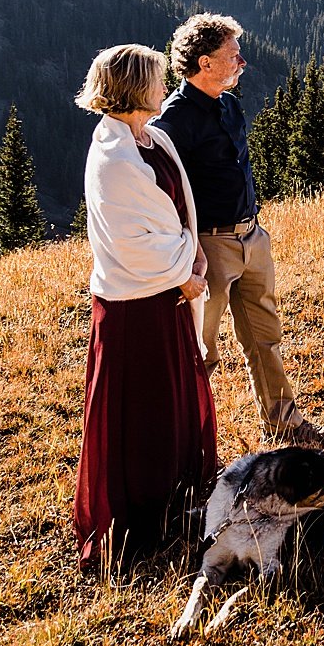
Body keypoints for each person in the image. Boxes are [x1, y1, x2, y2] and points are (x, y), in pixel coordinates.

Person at [151, 14, 324, 449]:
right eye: (233, 56)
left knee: (264, 337)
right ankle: (191, 446)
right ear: (205, 63)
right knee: (202, 349)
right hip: (210, 246)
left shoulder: (228, 105)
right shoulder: (173, 123)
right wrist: (187, 250)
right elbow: (162, 191)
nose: (243, 62)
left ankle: (285, 426)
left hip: (252, 236)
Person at [73, 43, 217, 569]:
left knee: (175, 396)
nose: (164, 86)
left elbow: (177, 214)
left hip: (167, 296)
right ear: (135, 88)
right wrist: (186, 272)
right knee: (144, 409)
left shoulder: (150, 139)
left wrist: (190, 253)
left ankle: (181, 497)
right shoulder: (113, 159)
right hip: (138, 306)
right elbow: (134, 244)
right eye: (156, 79)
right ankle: (143, 517)